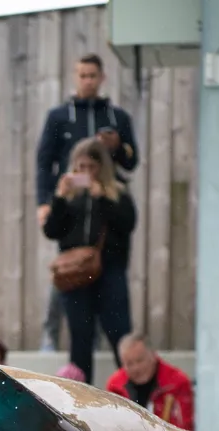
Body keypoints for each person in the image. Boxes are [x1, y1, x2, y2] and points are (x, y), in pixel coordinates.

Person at [35, 53, 139, 353]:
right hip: (73, 214)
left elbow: (132, 162)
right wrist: (48, 201)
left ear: (102, 77)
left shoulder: (117, 119)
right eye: (82, 75)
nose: (88, 81)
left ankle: (109, 342)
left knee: (112, 296)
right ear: (75, 76)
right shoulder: (59, 117)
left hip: (107, 217)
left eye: (93, 75)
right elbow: (44, 162)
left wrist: (116, 148)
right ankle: (51, 333)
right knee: (69, 271)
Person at [42, 136, 137, 384]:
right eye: (80, 167)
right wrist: (60, 198)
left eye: (91, 167)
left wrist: (103, 198)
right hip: (75, 274)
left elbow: (128, 224)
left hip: (109, 271)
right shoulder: (70, 194)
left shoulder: (116, 191)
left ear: (102, 167)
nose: (85, 172)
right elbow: (51, 230)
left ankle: (130, 390)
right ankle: (82, 395)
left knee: (118, 333)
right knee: (80, 337)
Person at [105, 334, 194, 431]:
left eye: (140, 360)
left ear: (153, 355)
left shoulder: (177, 383)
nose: (136, 368)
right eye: (129, 363)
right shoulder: (115, 386)